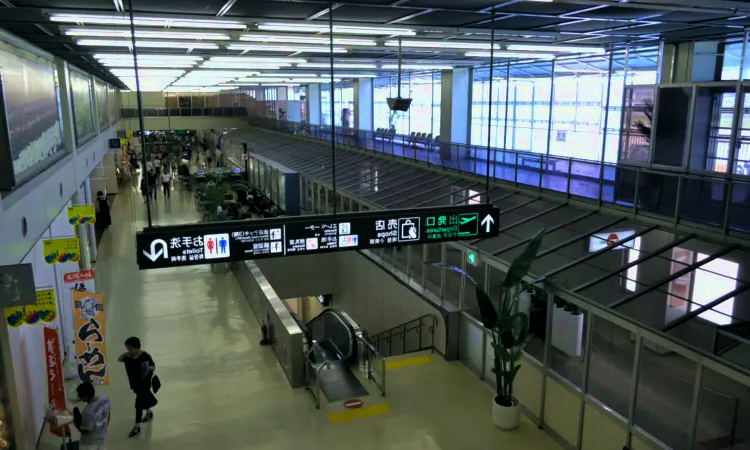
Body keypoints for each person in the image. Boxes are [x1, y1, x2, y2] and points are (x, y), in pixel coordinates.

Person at [118, 337, 157, 438]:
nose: (128, 350)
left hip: (143, 384)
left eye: (130, 348)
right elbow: (119, 359)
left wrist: (146, 371)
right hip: (135, 384)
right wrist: (124, 355)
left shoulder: (145, 356)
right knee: (142, 399)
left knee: (138, 404)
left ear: (136, 347)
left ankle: (137, 425)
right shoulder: (129, 356)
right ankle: (149, 412)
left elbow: (152, 366)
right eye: (127, 348)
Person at [73, 382, 110, 450]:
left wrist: (76, 424)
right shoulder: (104, 399)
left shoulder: (87, 411)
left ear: (86, 396)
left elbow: (85, 430)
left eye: (80, 395)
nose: (78, 396)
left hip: (89, 443)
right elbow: (108, 414)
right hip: (102, 437)